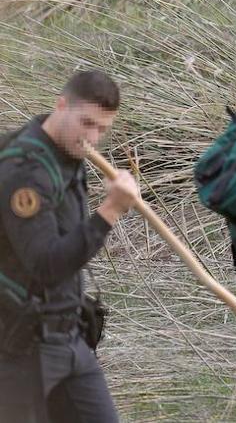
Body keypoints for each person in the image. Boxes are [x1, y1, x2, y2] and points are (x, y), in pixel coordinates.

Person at [0, 70, 139, 423]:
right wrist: (110, 211)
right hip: (21, 349)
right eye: (86, 123)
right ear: (61, 105)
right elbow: (46, 265)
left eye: (102, 129)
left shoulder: (68, 153)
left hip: (68, 338)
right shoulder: (25, 171)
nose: (92, 137)